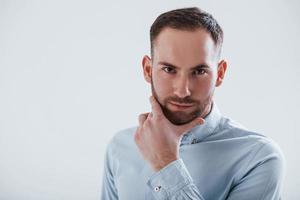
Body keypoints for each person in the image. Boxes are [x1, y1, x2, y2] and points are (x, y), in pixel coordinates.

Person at [101, 7, 285, 200]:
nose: (183, 91)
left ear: (220, 74)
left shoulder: (259, 158)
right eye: (169, 69)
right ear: (148, 70)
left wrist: (166, 163)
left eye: (199, 72)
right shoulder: (119, 147)